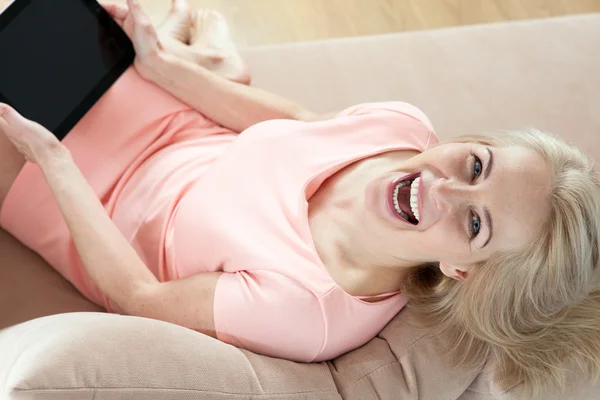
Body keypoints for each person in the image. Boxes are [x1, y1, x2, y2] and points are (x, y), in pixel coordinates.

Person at [1, 0, 599, 395]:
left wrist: (53, 158)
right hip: (163, 119)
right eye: (475, 164)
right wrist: (163, 70)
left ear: (463, 268)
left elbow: (139, 296)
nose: (443, 186)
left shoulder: (305, 309)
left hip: (75, 197)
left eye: (473, 222)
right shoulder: (403, 128)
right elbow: (297, 119)